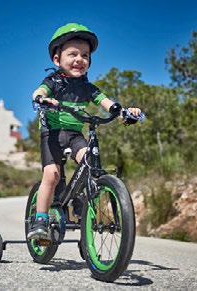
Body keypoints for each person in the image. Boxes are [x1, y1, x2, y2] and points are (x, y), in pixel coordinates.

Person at [27, 23, 142, 240]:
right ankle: (40, 219)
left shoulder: (88, 88)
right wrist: (41, 98)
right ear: (56, 59)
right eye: (72, 54)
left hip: (75, 135)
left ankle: (81, 202)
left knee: (90, 164)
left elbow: (108, 103)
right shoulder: (54, 82)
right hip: (52, 134)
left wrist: (125, 112)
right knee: (51, 176)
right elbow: (39, 91)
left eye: (85, 55)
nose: (80, 59)